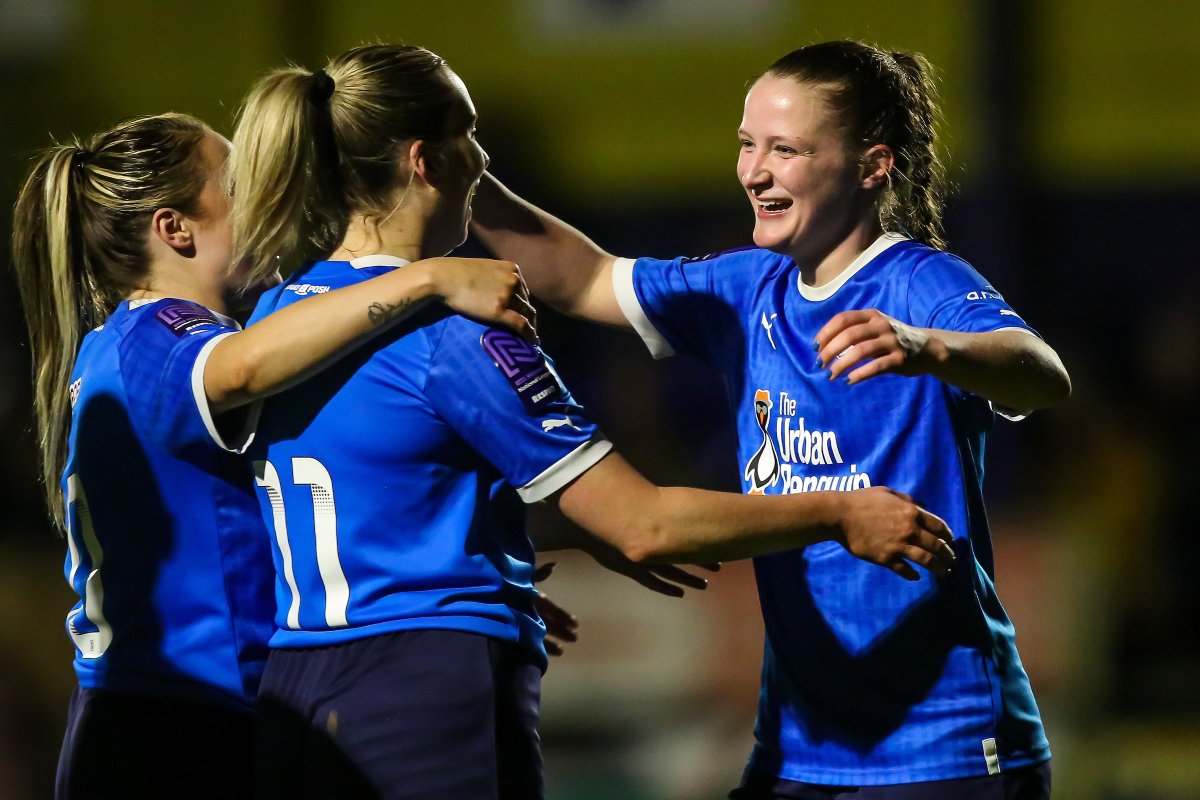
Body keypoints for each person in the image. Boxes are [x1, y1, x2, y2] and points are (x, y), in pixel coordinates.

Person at [228, 43, 957, 800]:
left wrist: (535, 542)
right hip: (424, 687)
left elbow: (386, 486)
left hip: (297, 684)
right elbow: (645, 524)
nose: (482, 161)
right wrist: (841, 512)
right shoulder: (458, 337)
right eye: (469, 137)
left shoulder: (283, 322)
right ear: (424, 162)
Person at [471, 39, 1071, 800]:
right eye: (748, 145)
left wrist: (930, 346)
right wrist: (468, 179)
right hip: (799, 749)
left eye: (784, 149)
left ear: (871, 164)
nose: (753, 171)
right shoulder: (746, 287)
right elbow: (583, 277)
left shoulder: (921, 282)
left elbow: (1043, 375)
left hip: (946, 748)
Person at [10, 111, 539, 800]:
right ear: (174, 229)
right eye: (238, 186)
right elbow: (243, 370)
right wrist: (428, 279)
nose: (264, 203)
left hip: (165, 716)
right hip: (175, 726)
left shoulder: (118, 343)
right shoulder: (159, 340)